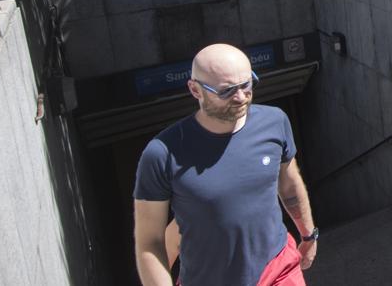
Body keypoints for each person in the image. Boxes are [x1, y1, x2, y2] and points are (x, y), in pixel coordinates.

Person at [134, 44, 318, 286]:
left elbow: (290, 184)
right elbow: (150, 242)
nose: (241, 97)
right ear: (195, 89)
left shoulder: (275, 122)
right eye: (227, 91)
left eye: (246, 85)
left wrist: (308, 234)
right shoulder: (161, 154)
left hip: (277, 270)